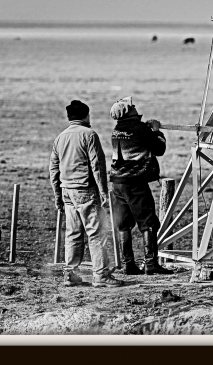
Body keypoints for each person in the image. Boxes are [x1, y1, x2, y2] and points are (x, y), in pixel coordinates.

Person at [49, 100, 122, 287]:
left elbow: (54, 170)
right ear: (86, 115)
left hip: (67, 191)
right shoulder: (89, 135)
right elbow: (97, 166)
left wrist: (58, 195)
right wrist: (104, 192)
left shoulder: (60, 137)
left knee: (73, 233)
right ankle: (101, 275)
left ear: (69, 117)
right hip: (85, 190)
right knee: (96, 233)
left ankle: (71, 274)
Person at [108, 96, 173, 275]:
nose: (136, 107)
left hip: (117, 183)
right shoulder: (140, 128)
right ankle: (151, 263)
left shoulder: (117, 129)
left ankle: (128, 264)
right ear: (128, 111)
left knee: (124, 224)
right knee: (148, 223)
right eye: (133, 106)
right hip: (135, 183)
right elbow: (159, 149)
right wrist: (157, 131)